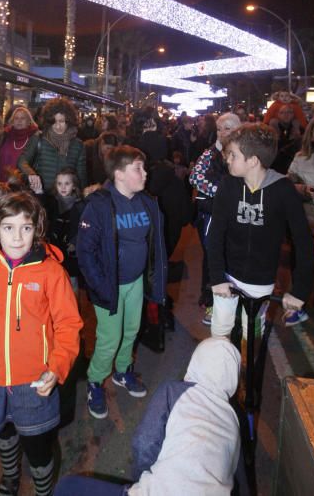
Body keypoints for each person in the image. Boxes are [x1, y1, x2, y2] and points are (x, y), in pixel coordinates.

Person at [0, 191, 82, 496]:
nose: (16, 237)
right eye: (8, 227)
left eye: (25, 228)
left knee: (38, 445)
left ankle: (42, 489)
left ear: (36, 230)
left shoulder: (52, 273)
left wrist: (57, 368)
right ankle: (10, 476)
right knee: (5, 433)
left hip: (35, 382)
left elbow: (69, 325)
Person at [54, 338, 241, 496]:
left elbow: (144, 441)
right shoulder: (233, 420)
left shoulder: (174, 392)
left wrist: (141, 480)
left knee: (66, 487)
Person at [77, 146, 167, 420]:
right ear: (119, 174)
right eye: (137, 168)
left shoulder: (147, 201)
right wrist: (101, 286)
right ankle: (95, 381)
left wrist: (155, 279)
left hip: (136, 282)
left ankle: (123, 370)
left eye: (143, 167)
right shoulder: (100, 205)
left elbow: (156, 244)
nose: (145, 173)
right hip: (110, 287)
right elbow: (85, 251)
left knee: (132, 329)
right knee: (109, 338)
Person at [207, 124, 314, 339]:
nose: (227, 160)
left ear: (253, 161)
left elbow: (303, 242)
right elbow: (215, 234)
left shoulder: (283, 190)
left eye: (233, 155)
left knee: (252, 334)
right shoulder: (228, 185)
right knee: (220, 330)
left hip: (261, 280)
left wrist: (300, 291)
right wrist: (216, 276)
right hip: (228, 273)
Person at [189, 112, 241, 325]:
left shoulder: (243, 152)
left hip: (235, 214)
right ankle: (212, 301)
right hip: (211, 213)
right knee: (214, 255)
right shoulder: (211, 153)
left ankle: (232, 301)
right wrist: (223, 191)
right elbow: (195, 177)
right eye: (219, 129)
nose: (222, 133)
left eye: (227, 128)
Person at [18, 97, 86, 193]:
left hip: (66, 200)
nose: (57, 126)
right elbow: (22, 161)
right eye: (54, 122)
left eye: (61, 121)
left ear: (69, 121)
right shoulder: (39, 138)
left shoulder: (78, 145)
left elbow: (81, 177)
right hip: (42, 195)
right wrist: (31, 174)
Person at [41, 167, 84, 294]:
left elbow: (83, 227)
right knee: (55, 284)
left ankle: (73, 309)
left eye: (67, 183)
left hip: (71, 252)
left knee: (72, 284)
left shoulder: (80, 205)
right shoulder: (52, 202)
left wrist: (75, 242)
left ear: (74, 186)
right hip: (54, 249)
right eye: (59, 184)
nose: (63, 187)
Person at [0, 106, 38, 181]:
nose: (19, 121)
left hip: (24, 184)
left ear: (29, 121)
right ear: (12, 121)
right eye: (16, 118)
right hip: (2, 183)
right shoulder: (5, 135)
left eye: (23, 118)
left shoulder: (35, 138)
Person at [269, 104, 303, 175]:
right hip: (275, 166)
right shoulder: (271, 130)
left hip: (293, 166)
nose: (286, 115)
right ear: (278, 114)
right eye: (282, 112)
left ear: (293, 114)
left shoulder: (299, 129)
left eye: (289, 112)